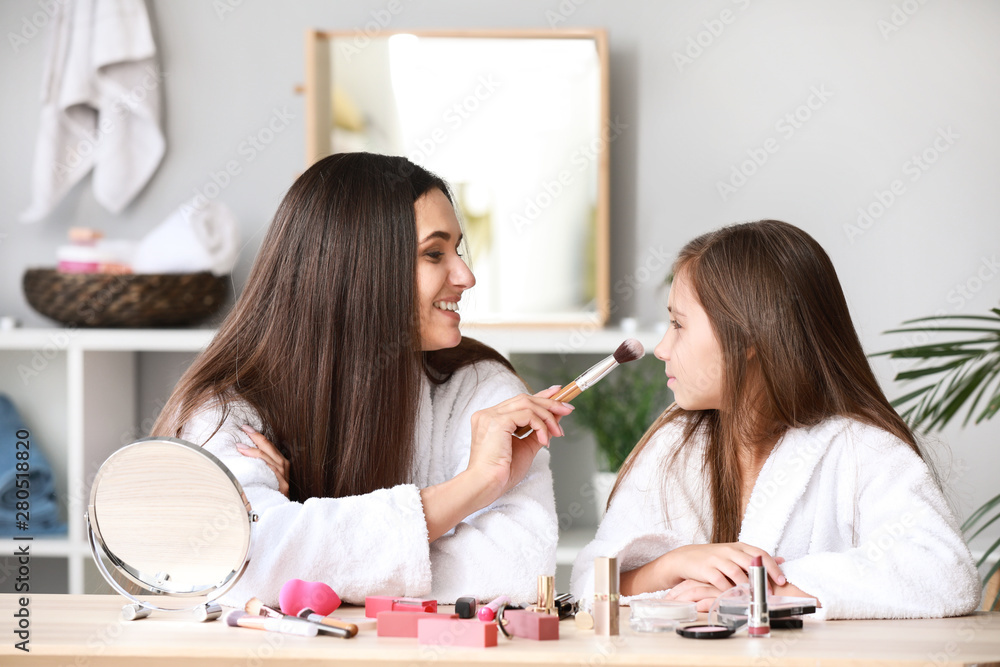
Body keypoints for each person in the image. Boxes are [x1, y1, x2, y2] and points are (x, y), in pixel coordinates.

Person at [153, 152, 569, 606]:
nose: (465, 276)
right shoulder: (230, 408)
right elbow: (236, 559)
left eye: (457, 250)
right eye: (434, 253)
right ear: (359, 269)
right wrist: (473, 486)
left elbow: (516, 569)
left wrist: (301, 546)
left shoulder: (482, 389)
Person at [570, 220, 981, 620]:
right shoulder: (675, 444)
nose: (661, 348)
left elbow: (944, 574)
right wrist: (672, 565)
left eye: (678, 324)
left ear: (747, 336)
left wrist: (760, 589)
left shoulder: (862, 449)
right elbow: (596, 582)